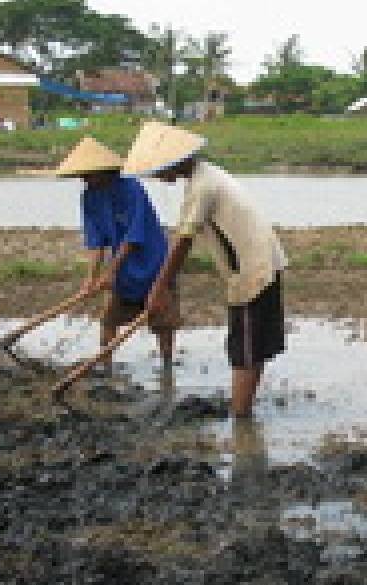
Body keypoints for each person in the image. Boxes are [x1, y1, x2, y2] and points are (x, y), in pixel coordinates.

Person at [122, 121, 287, 417]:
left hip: (251, 269)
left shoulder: (202, 186)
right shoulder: (207, 174)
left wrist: (158, 289)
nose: (159, 177)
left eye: (159, 170)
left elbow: (182, 242)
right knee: (252, 346)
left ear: (173, 162)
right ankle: (244, 411)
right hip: (261, 262)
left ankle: (240, 417)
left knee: (245, 350)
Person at [52, 136, 176, 368]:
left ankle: (167, 368)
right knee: (109, 320)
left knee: (163, 322)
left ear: (104, 170)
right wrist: (91, 279)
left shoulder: (131, 189)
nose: (85, 179)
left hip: (154, 262)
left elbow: (134, 235)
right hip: (125, 269)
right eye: (82, 175)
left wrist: (109, 272)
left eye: (89, 174)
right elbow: (95, 240)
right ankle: (105, 365)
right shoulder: (89, 196)